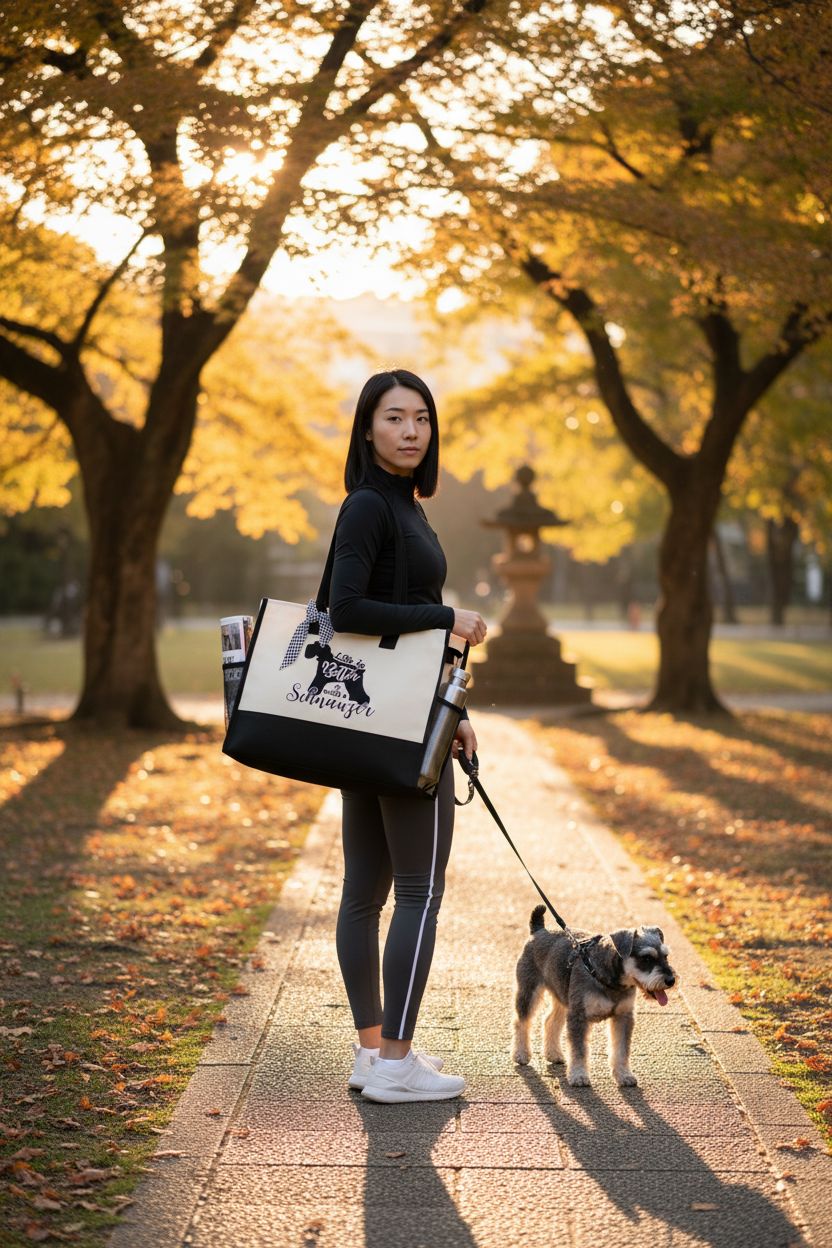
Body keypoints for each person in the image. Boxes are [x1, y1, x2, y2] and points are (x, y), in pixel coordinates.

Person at [327, 369, 487, 1104]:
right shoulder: (368, 505)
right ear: (368, 429)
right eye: (394, 418)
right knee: (417, 890)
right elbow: (347, 609)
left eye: (421, 417)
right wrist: (445, 617)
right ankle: (396, 1061)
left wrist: (455, 714)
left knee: (366, 892)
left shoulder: (405, 505)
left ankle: (372, 1056)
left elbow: (400, 613)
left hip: (395, 715)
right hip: (390, 723)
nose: (411, 430)